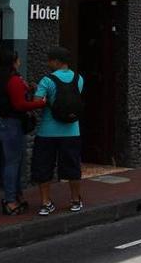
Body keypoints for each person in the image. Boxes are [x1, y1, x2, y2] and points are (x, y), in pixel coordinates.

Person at [0, 50, 46, 216]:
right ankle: (10, 201)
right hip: (11, 123)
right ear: (13, 62)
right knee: (13, 162)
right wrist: (40, 103)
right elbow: (20, 105)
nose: (19, 62)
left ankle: (16, 195)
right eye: (18, 60)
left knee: (12, 160)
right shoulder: (14, 81)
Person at [31, 46, 84, 216]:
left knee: (44, 166)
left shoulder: (46, 80)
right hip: (72, 131)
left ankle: (46, 202)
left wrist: (43, 98)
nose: (48, 63)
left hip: (47, 131)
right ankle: (75, 200)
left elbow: (37, 102)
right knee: (72, 166)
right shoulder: (79, 78)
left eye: (49, 60)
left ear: (56, 61)